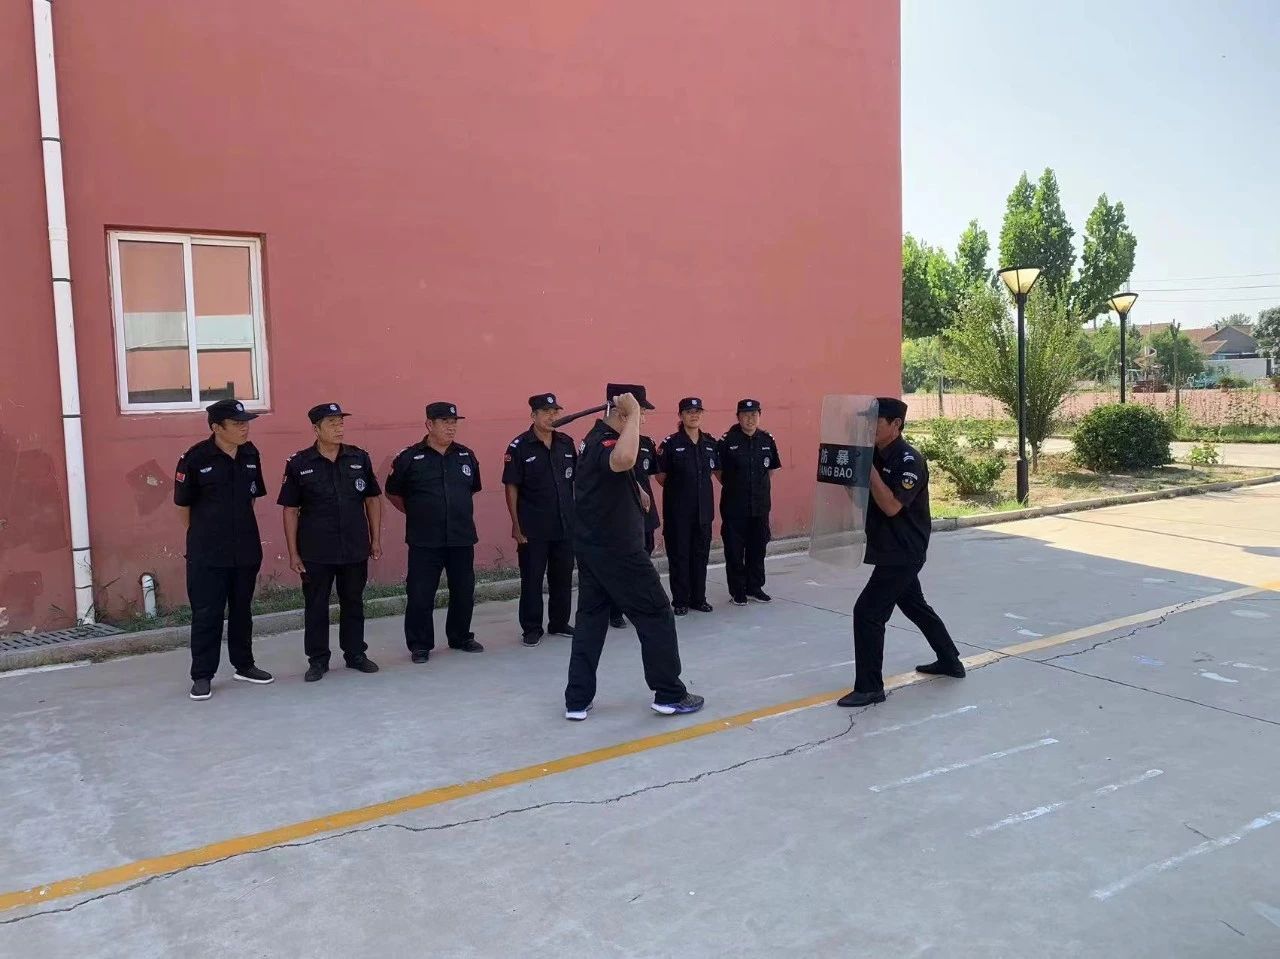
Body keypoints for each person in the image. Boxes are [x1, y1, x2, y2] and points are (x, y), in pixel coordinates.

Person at [564, 385, 704, 721]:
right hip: (618, 551)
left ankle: (577, 701)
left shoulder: (598, 438)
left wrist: (636, 489)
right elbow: (623, 458)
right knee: (656, 613)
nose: (644, 420)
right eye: (641, 412)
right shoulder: (606, 440)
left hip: (594, 547)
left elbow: (612, 473)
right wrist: (634, 414)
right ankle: (669, 694)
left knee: (590, 621)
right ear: (622, 411)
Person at [838, 397, 964, 708]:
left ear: (896, 425)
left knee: (867, 613)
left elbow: (892, 506)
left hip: (904, 550)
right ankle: (950, 660)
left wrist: (868, 471)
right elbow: (862, 502)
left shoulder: (909, 460)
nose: (869, 427)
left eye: (876, 421)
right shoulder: (874, 455)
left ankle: (870, 688)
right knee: (914, 605)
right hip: (887, 547)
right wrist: (850, 477)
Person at [173, 399, 274, 700]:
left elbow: (250, 498)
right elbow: (183, 507)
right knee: (207, 613)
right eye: (237, 424)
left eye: (246, 423)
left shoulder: (250, 454)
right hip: (208, 553)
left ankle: (244, 665)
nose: (244, 428)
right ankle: (202, 675)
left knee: (242, 610)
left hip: (244, 548)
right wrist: (204, 536)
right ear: (217, 427)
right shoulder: (195, 459)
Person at [278, 403, 383, 682]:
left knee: (353, 602)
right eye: (332, 423)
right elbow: (290, 510)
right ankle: (318, 660)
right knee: (316, 605)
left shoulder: (359, 458)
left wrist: (375, 539)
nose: (339, 428)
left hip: (354, 545)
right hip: (316, 549)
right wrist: (293, 553)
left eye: (341, 422)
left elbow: (372, 499)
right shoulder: (300, 463)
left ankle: (355, 654)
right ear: (316, 429)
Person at [385, 402, 485, 662]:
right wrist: (418, 513)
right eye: (444, 422)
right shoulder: (409, 458)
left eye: (454, 422)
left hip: (461, 536)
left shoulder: (466, 455)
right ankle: (420, 645)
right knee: (420, 593)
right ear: (429, 424)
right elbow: (393, 492)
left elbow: (472, 488)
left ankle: (460, 636)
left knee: (463, 590)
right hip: (424, 539)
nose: (451, 427)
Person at [502, 393, 577, 647]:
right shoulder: (519, 447)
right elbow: (511, 486)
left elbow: (576, 481)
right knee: (532, 579)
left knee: (562, 577)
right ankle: (532, 628)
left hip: (564, 524)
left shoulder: (566, 443)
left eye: (555, 412)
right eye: (546, 412)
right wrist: (516, 524)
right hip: (533, 527)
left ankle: (559, 622)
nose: (552, 417)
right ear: (533, 415)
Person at [656, 397, 719, 616]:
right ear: (681, 416)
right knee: (679, 556)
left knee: (700, 556)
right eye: (689, 412)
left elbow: (715, 471)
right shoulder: (670, 444)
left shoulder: (710, 443)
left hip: (703, 512)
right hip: (678, 513)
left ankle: (699, 599)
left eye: (697, 411)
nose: (694, 415)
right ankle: (680, 601)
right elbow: (661, 477)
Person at [717, 398, 781, 606]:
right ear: (738, 417)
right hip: (734, 507)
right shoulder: (727, 441)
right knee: (735, 551)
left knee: (758, 548)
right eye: (745, 415)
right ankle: (738, 591)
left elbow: (770, 470)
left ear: (759, 416)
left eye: (754, 414)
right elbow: (718, 471)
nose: (750, 419)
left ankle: (755, 587)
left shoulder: (767, 439)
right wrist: (736, 485)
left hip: (760, 506)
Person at [609, 423, 660, 630]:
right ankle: (616, 611)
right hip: (622, 515)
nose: (642, 418)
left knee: (643, 562)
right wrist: (637, 488)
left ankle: (639, 605)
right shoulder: (612, 444)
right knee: (621, 565)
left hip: (645, 514)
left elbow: (651, 475)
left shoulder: (647, 443)